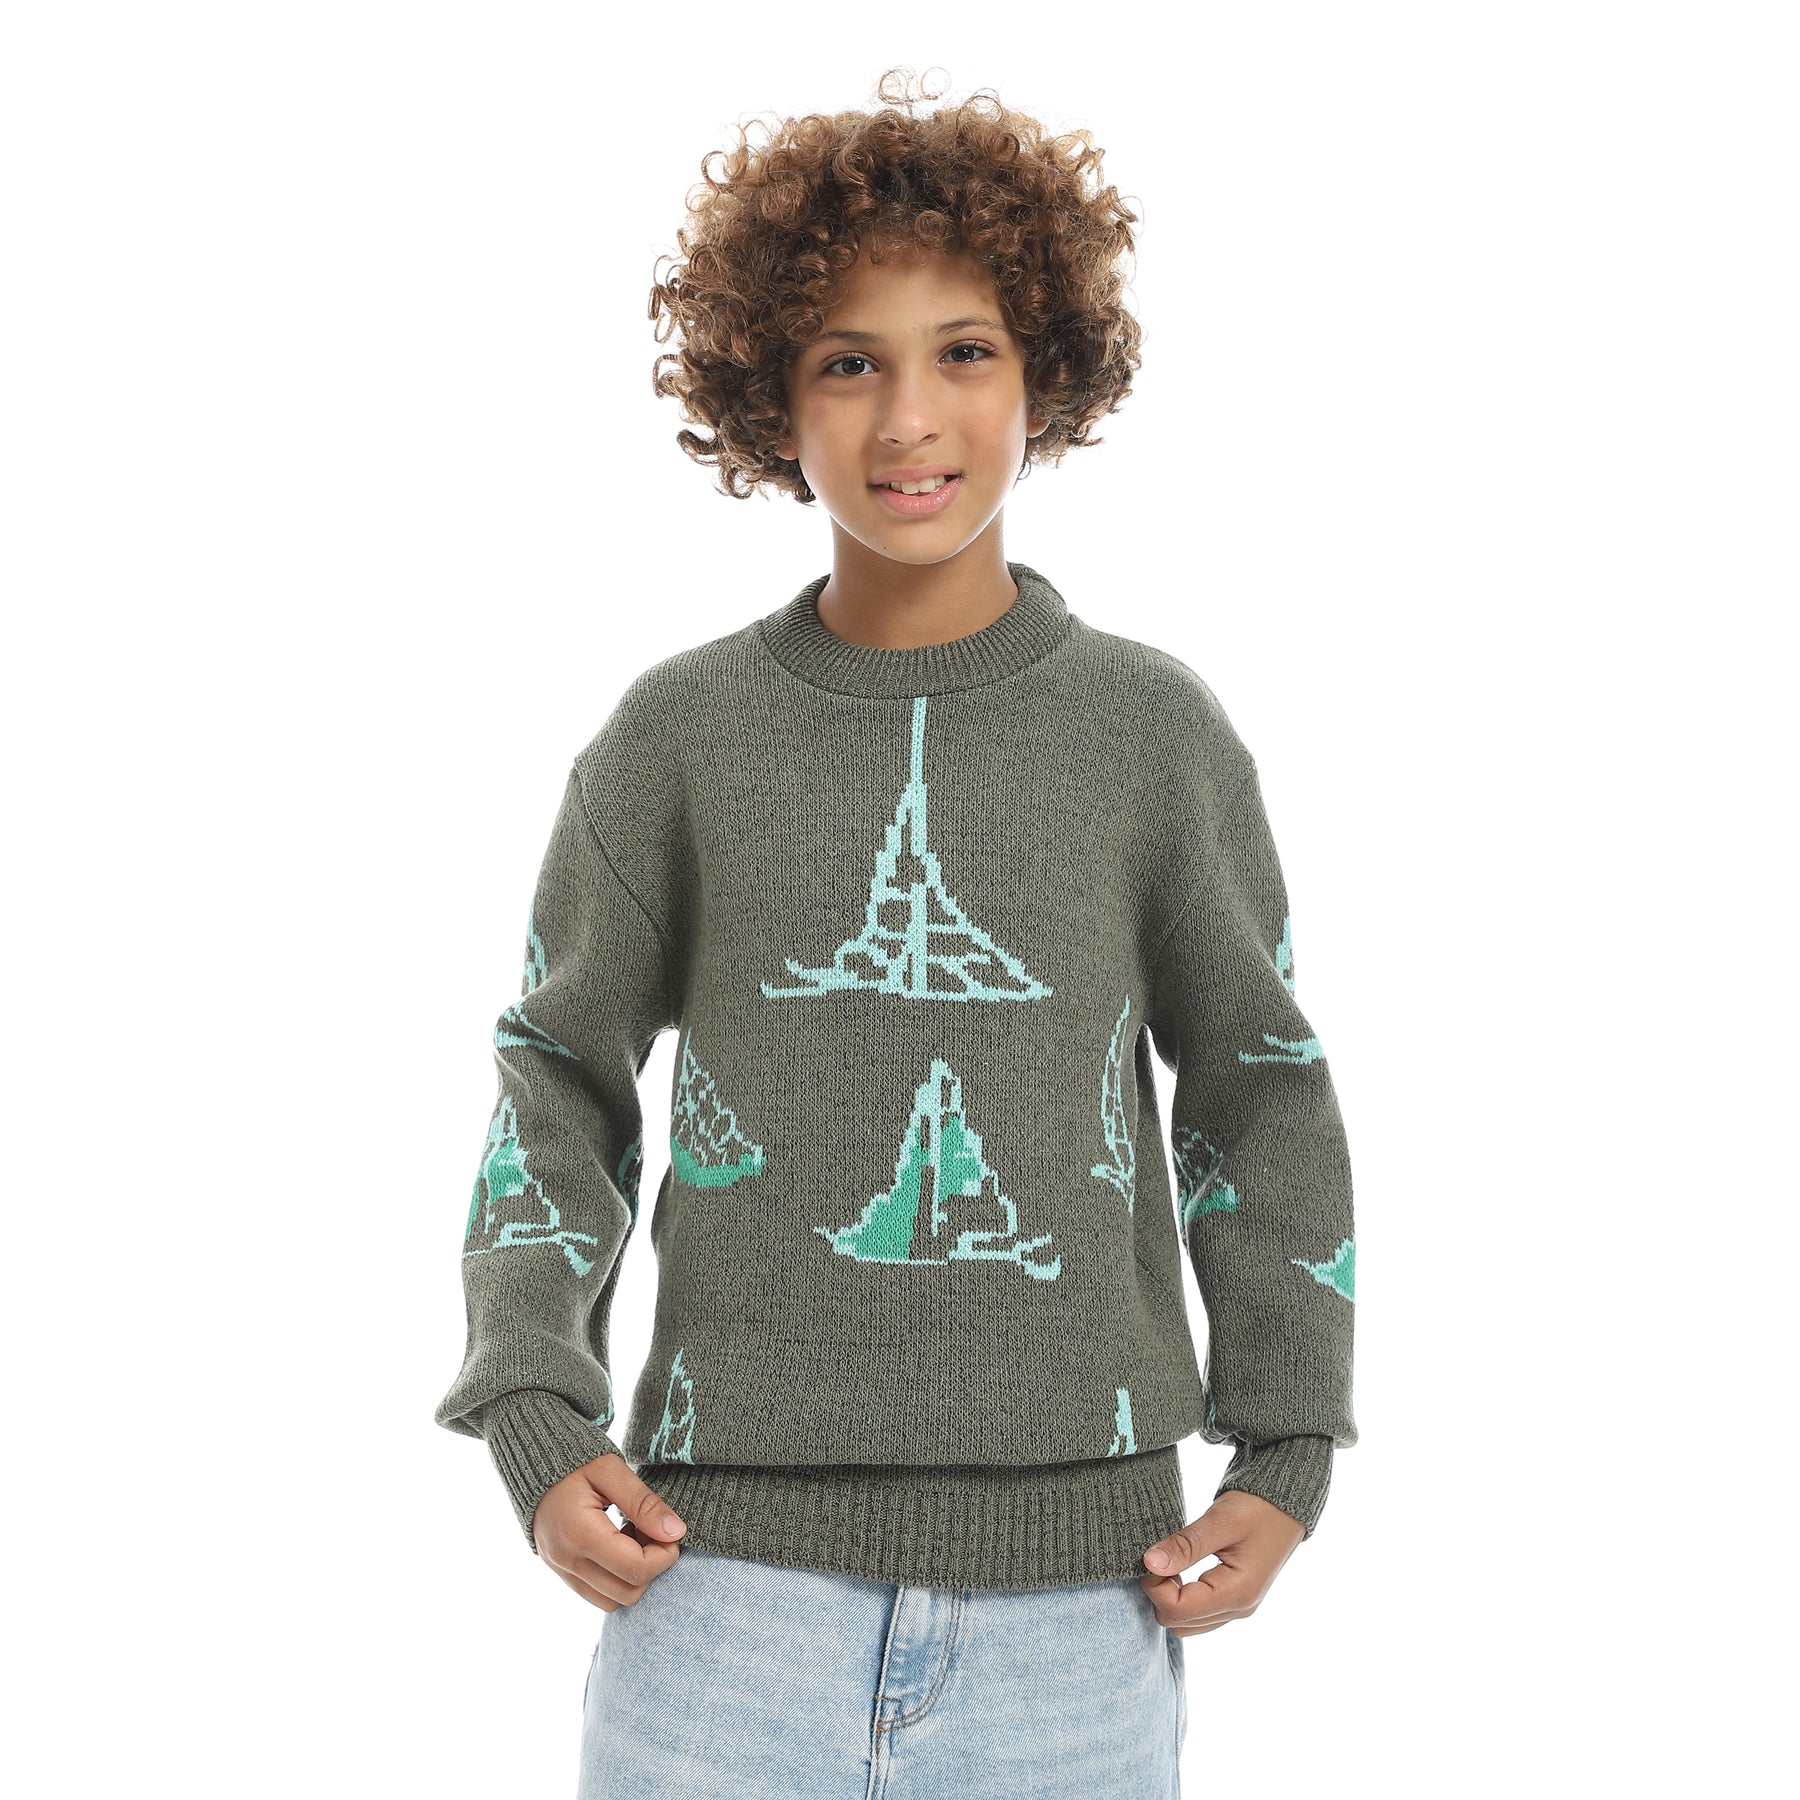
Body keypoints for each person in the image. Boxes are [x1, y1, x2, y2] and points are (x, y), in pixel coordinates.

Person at [433, 67, 1357, 1799]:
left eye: (966, 351)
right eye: (848, 361)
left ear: (1045, 377)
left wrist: (1287, 1443)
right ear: (768, 394)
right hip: (717, 1603)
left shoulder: (1152, 734)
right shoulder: (677, 738)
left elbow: (1258, 1088)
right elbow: (558, 1076)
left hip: (1085, 1610)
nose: (910, 416)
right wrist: (533, 1411)